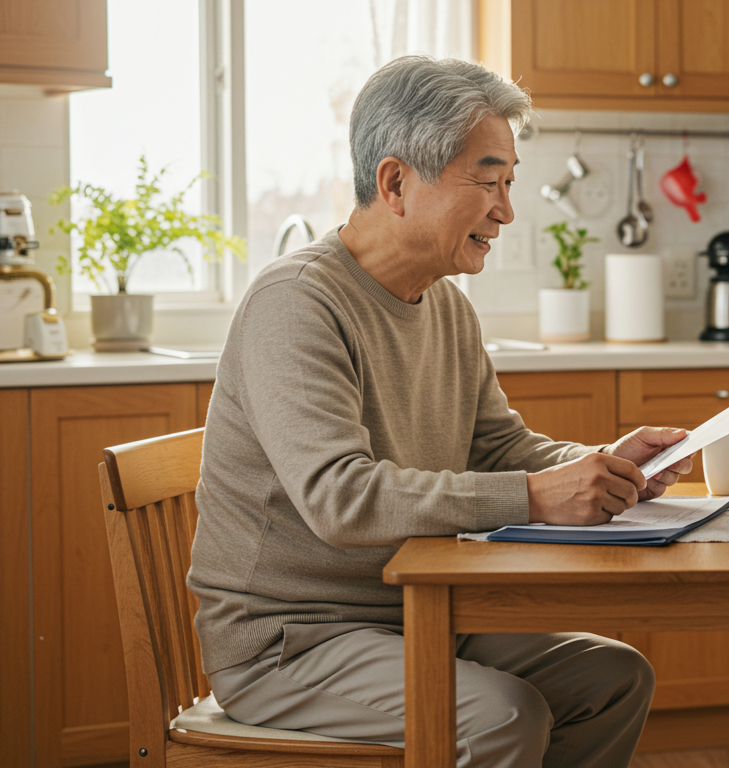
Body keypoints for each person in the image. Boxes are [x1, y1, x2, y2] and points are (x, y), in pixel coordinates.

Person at [188, 56, 693, 768]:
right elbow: (342, 499)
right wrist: (537, 497)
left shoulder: (446, 304)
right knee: (500, 718)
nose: (506, 209)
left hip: (417, 613)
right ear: (396, 182)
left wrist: (602, 464)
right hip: (291, 640)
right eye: (487, 181)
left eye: (509, 182)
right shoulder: (296, 303)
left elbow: (499, 446)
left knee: (612, 679)